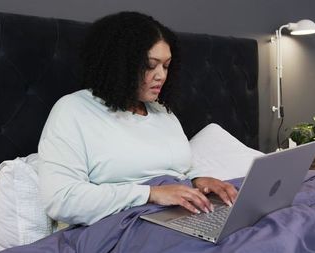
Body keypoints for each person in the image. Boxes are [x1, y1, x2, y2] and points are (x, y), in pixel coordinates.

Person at [37, 11, 237, 226]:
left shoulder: (161, 110)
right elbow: (62, 200)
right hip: (125, 222)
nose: (161, 75)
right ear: (120, 64)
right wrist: (150, 193)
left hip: (178, 214)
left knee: (263, 220)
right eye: (150, 65)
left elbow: (179, 167)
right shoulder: (74, 110)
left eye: (166, 65)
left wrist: (199, 180)